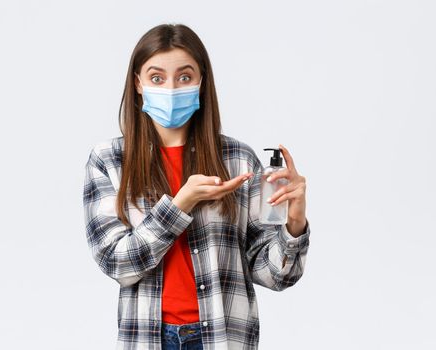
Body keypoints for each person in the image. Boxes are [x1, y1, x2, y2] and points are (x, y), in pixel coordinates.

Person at [83, 23, 310, 350]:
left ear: (202, 82)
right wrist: (180, 205)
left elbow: (276, 276)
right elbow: (117, 263)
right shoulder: (109, 161)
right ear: (138, 83)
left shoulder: (238, 160)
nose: (172, 88)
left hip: (222, 336)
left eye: (185, 77)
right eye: (157, 78)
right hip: (149, 338)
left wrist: (294, 223)